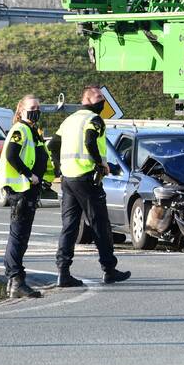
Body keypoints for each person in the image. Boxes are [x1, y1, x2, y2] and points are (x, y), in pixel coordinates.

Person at [47, 86, 130, 287]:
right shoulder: (94, 120)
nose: (103, 102)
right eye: (99, 98)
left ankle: (63, 272)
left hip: (68, 179)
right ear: (87, 100)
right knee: (100, 224)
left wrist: (59, 167)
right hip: (86, 178)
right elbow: (90, 141)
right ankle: (109, 269)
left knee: (70, 226)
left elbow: (52, 146)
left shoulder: (70, 120)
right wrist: (100, 163)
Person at [0, 94, 49, 298]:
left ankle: (14, 282)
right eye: (33, 107)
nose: (36, 110)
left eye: (38, 107)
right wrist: (29, 175)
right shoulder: (20, 130)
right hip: (20, 190)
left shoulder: (33, 131)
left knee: (22, 236)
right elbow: (11, 155)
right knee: (18, 236)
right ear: (21, 111)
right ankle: (16, 279)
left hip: (28, 190)